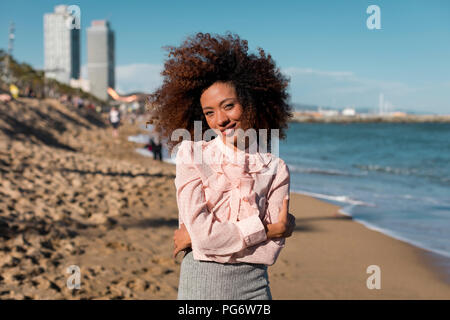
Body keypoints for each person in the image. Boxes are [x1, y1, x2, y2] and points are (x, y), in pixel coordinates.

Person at [148, 32, 295, 300]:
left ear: (249, 103)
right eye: (210, 112)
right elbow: (205, 236)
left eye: (229, 106)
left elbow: (270, 250)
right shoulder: (191, 155)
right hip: (201, 288)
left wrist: (199, 238)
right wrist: (266, 229)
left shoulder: (276, 168)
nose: (221, 120)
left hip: (256, 289)